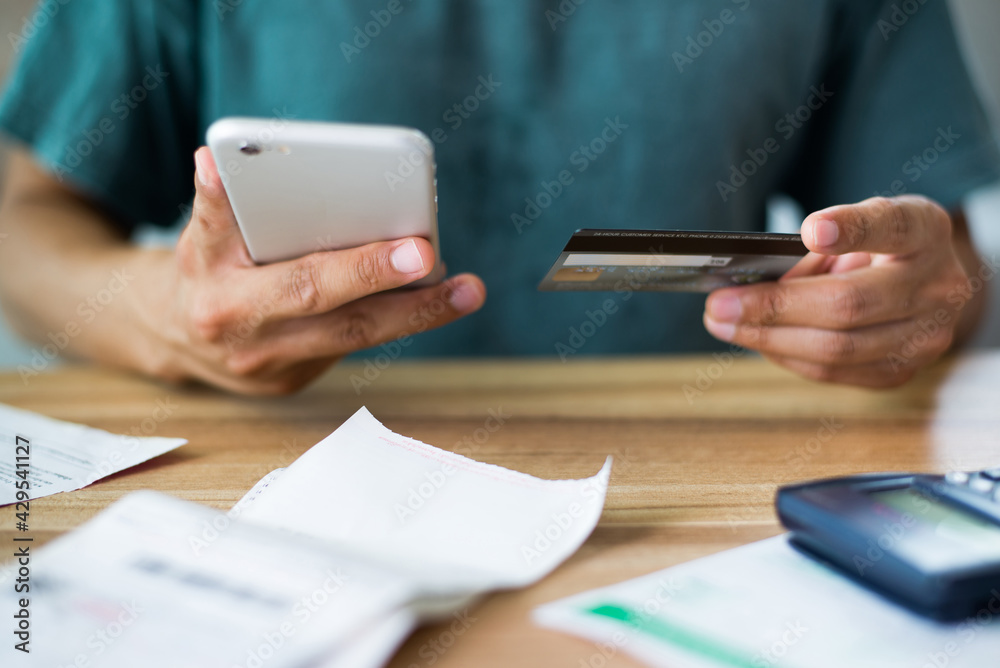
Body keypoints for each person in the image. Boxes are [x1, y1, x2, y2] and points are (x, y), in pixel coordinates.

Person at [0, 0, 997, 395]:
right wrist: (165, 318)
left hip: (687, 496)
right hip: (278, 487)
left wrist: (923, 301)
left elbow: (943, 255)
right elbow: (19, 216)